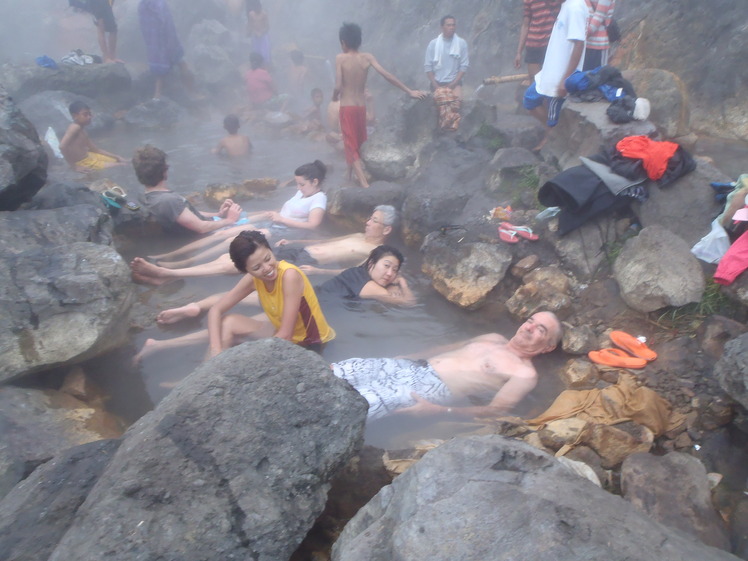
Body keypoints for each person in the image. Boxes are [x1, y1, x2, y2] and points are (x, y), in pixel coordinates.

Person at [133, 230, 335, 363]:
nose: (267, 269)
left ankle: (211, 374)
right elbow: (216, 310)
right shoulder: (253, 278)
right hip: (281, 335)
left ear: (272, 251)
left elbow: (285, 336)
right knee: (227, 323)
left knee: (235, 339)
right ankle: (208, 373)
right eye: (256, 267)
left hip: (310, 344)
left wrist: (247, 360)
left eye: (268, 258)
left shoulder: (289, 276)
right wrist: (216, 350)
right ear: (245, 269)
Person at [331, 311, 562, 421]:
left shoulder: (525, 374)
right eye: (531, 320)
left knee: (354, 406)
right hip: (412, 366)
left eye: (541, 329)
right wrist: (407, 356)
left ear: (548, 347)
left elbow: (496, 410)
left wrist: (438, 411)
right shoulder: (492, 336)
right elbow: (447, 347)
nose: (530, 327)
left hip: (430, 389)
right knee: (340, 370)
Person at [150, 241, 414, 327]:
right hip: (309, 305)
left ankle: (196, 307)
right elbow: (409, 303)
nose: (391, 273)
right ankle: (195, 316)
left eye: (395, 270)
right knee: (254, 320)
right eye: (387, 266)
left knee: (236, 297)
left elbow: (340, 273)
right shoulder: (373, 287)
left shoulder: (356, 272)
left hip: (312, 292)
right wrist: (403, 283)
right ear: (371, 263)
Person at [130, 204, 397, 286]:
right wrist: (294, 240)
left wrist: (319, 274)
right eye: (370, 218)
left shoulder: (375, 252)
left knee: (236, 264)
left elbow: (362, 276)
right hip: (299, 250)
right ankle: (174, 269)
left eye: (374, 221)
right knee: (235, 255)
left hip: (308, 264)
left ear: (386, 229)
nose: (367, 222)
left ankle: (169, 274)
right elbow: (324, 241)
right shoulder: (356, 236)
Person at [334, 22, 427, 188]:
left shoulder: (340, 58)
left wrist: (334, 97)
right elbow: (387, 75)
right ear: (359, 41)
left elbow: (338, 86)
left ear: (343, 42)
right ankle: (348, 176)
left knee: (350, 143)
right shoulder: (367, 57)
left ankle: (364, 184)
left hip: (347, 107)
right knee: (359, 142)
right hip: (361, 108)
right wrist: (409, 90)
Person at [522, 0, 588, 151]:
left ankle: (555, 144)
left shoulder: (575, 7)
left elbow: (579, 44)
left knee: (553, 117)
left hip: (561, 75)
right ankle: (553, 134)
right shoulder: (565, 5)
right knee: (529, 99)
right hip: (550, 71)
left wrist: (566, 79)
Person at [134, 144, 242, 235]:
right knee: (256, 218)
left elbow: (186, 215)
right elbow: (201, 227)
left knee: (254, 214)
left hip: (210, 223)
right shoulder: (168, 201)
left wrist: (218, 215)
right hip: (210, 232)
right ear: (164, 170)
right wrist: (229, 220)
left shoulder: (146, 196)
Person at [59, 100, 127, 171]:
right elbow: (62, 146)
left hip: (90, 156)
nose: (89, 117)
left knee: (120, 161)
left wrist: (117, 157)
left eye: (90, 114)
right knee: (121, 166)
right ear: (74, 116)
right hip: (83, 162)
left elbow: (95, 150)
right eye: (85, 114)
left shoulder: (82, 129)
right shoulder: (74, 127)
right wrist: (74, 166)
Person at [514, 0, 564, 84]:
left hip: (553, 45)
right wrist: (519, 52)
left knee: (553, 82)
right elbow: (525, 25)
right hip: (533, 45)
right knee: (535, 84)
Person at [424, 15, 469, 99]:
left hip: (455, 83)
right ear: (442, 27)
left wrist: (454, 83)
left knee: (455, 105)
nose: (451, 27)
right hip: (437, 82)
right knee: (440, 105)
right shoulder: (433, 44)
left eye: (453, 25)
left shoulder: (461, 43)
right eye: (448, 25)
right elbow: (428, 66)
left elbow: (464, 66)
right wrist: (436, 86)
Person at [583, 0, 615, 71]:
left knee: (598, 77)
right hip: (583, 44)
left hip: (598, 44)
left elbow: (600, 15)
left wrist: (583, 34)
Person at [246, 0, 271, 66]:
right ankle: (256, 64)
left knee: (265, 52)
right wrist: (249, 32)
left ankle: (265, 65)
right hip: (255, 35)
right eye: (256, 8)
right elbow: (250, 24)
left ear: (260, 7)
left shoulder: (264, 14)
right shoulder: (251, 14)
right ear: (254, 8)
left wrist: (261, 33)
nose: (258, 9)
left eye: (259, 8)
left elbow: (267, 27)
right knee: (255, 50)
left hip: (263, 35)